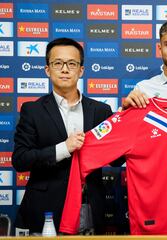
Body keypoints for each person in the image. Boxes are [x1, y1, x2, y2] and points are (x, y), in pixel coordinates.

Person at [12, 38, 113, 235]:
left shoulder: (101, 110)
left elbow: (117, 160)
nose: (65, 69)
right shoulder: (32, 110)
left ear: (81, 70)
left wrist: (123, 123)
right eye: (58, 63)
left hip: (90, 209)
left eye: (72, 64)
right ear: (47, 70)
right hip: (46, 212)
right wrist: (63, 149)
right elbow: (20, 160)